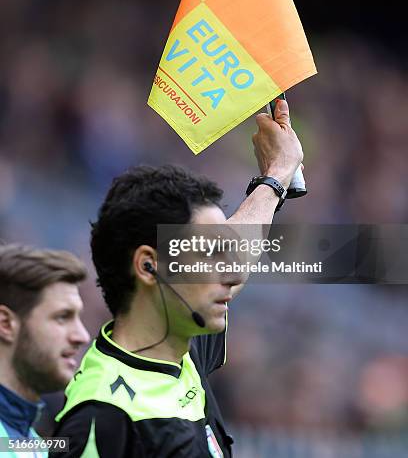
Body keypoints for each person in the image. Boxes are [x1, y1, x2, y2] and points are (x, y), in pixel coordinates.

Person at [51, 99, 303, 457]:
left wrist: (276, 175)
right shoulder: (102, 415)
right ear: (148, 266)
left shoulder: (182, 342)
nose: (231, 272)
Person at [0, 244, 90, 455]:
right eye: (62, 317)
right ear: (6, 324)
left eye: (78, 317)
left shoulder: (34, 443)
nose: (82, 336)